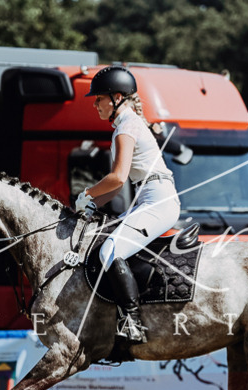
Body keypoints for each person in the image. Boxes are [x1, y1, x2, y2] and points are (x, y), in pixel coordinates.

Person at [74, 65, 181, 343]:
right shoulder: (126, 123)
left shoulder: (127, 126)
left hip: (158, 201)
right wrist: (91, 206)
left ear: (117, 97)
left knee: (109, 250)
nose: (96, 104)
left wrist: (86, 193)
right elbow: (117, 186)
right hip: (149, 197)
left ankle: (132, 322)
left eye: (99, 98)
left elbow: (117, 177)